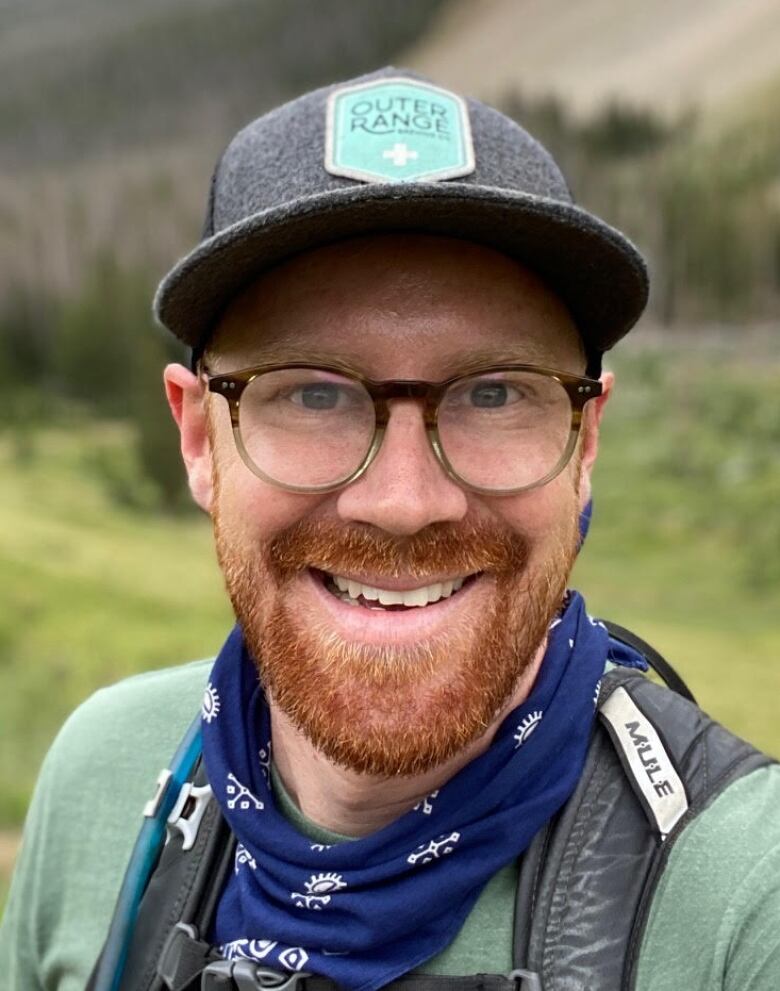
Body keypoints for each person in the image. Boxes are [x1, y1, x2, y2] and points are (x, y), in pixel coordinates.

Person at [1, 67, 778, 991]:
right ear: (197, 438)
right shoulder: (106, 777)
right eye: (314, 392)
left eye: (494, 393)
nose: (404, 501)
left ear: (585, 442)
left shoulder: (744, 900)